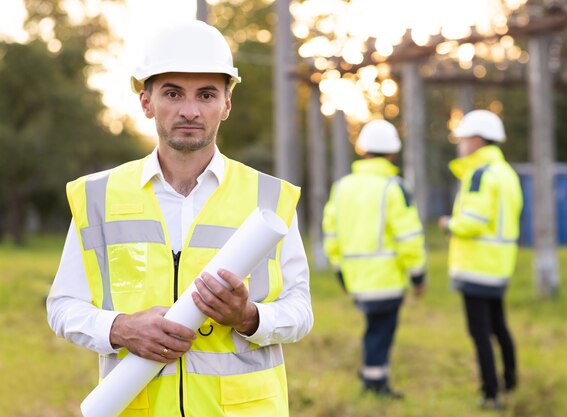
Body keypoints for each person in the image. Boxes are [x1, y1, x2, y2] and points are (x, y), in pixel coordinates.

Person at [47, 20, 313, 417]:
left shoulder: (269, 199)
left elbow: (300, 310)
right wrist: (120, 327)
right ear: (146, 102)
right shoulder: (98, 196)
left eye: (206, 94)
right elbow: (63, 306)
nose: (190, 110)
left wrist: (249, 316)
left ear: (226, 103)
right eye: (173, 93)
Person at [322, 119, 427, 398]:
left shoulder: (342, 187)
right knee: (381, 331)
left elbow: (331, 235)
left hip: (355, 278)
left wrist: (340, 273)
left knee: (373, 329)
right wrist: (418, 275)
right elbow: (408, 237)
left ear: (362, 149)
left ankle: (371, 375)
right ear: (392, 153)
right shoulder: (394, 187)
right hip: (386, 278)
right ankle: (376, 383)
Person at [438, 110, 522, 409]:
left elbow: (473, 220)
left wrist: (449, 224)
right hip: (499, 264)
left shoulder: (479, 173)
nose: (460, 145)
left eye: (462, 139)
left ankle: (491, 395)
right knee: (499, 326)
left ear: (476, 140)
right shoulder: (506, 172)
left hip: (477, 266)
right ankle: (510, 381)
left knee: (480, 334)